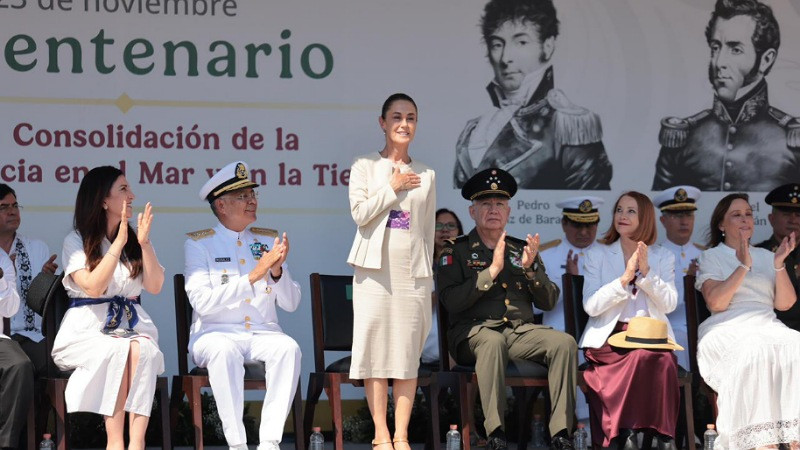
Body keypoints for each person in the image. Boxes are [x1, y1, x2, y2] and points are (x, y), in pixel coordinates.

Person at [438, 168, 577, 450]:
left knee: (564, 342)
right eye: (485, 204)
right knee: (492, 341)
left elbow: (548, 301)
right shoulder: (456, 251)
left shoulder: (520, 249)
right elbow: (450, 301)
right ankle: (496, 433)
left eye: (499, 204)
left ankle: (561, 432)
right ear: (472, 211)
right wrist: (491, 272)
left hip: (519, 333)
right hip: (472, 334)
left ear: (509, 211)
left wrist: (531, 271)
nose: (493, 210)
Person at [184, 160, 301, 450]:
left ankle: (270, 443)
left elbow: (292, 302)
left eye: (252, 195)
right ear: (221, 205)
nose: (252, 201)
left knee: (289, 348)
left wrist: (276, 272)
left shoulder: (266, 240)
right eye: (243, 196)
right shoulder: (200, 244)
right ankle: (237, 444)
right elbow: (202, 302)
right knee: (224, 352)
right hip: (216, 333)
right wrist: (253, 276)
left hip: (263, 333)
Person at [52, 166, 165, 450]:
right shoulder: (76, 241)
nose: (132, 195)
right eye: (124, 190)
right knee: (119, 349)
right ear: (103, 200)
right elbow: (93, 287)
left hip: (129, 327)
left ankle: (136, 443)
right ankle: (115, 442)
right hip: (87, 332)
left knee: (145, 349)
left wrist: (145, 243)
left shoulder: (134, 241)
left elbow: (154, 285)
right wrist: (117, 245)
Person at [347, 93, 436, 450]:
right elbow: (360, 214)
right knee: (375, 352)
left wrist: (426, 275)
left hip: (412, 272)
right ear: (382, 123)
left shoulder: (427, 173)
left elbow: (426, 229)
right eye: (396, 117)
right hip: (373, 271)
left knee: (405, 353)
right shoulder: (364, 166)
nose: (404, 124)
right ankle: (380, 433)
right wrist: (393, 187)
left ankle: (401, 434)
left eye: (411, 117)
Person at [453, 0, 612, 190]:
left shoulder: (570, 126)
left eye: (521, 42)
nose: (505, 58)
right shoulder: (474, 130)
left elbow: (585, 208)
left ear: (547, 46)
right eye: (497, 44)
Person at [652, 0, 800, 191]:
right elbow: (660, 213)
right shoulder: (684, 137)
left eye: (735, 49)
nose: (719, 62)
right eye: (715, 48)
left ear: (766, 60)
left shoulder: (793, 140)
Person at [695, 193, 800, 449]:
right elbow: (716, 303)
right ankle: (761, 440)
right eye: (736, 215)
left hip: (767, 324)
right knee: (755, 349)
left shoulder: (767, 255)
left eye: (748, 214)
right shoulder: (712, 256)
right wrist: (742, 266)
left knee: (796, 343)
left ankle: (793, 436)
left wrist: (778, 265)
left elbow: (784, 304)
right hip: (726, 326)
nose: (745, 219)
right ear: (721, 225)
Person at [579, 191, 680, 450]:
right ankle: (628, 433)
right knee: (639, 357)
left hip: (651, 337)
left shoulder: (663, 256)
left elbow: (669, 303)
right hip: (609, 339)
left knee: (664, 360)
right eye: (619, 210)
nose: (622, 216)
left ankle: (662, 437)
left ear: (645, 217)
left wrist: (646, 274)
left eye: (631, 211)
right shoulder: (597, 255)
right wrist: (623, 279)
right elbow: (591, 306)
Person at [538, 195, 603, 423]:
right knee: (570, 347)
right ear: (564, 223)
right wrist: (570, 282)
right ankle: (580, 425)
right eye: (577, 225)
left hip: (600, 331)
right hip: (559, 330)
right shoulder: (546, 255)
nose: (584, 232)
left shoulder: (610, 254)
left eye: (589, 225)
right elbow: (540, 303)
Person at [0, 183, 58, 375]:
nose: (12, 212)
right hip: (2, 339)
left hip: (29, 335)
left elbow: (41, 304)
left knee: (60, 361)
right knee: (18, 365)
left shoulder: (36, 249)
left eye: (15, 206)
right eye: (4, 207)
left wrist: (44, 282)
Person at [652, 186, 703, 369]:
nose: (684, 221)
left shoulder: (705, 254)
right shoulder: (654, 256)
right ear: (663, 220)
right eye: (676, 216)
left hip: (703, 327)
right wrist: (687, 283)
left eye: (688, 215)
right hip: (670, 328)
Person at [0, 250, 33, 450]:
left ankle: (5, 444)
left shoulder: (2, 258)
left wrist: (1, 279)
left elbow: (10, 309)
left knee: (20, 365)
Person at [755, 183, 800, 331]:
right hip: (770, 335)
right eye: (786, 214)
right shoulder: (756, 255)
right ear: (771, 218)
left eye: (798, 215)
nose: (793, 220)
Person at [422, 208, 464, 366]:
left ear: (459, 231)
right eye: (438, 226)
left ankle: (461, 391)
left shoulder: (468, 263)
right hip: (429, 341)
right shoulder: (420, 265)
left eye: (451, 226)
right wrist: (441, 292)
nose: (445, 230)